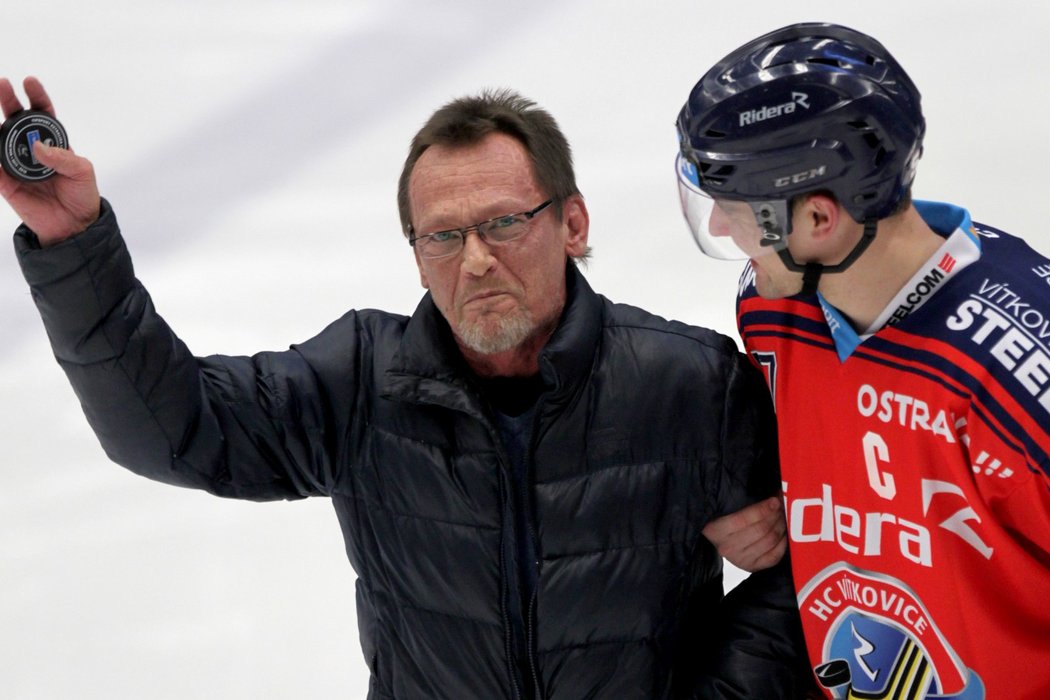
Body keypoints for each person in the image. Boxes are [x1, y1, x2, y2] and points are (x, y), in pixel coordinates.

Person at [3, 77, 812, 698]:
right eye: (444, 236)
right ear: (416, 252)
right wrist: (73, 242)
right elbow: (171, 429)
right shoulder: (362, 381)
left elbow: (825, 561)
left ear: (572, 225)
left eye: (503, 223)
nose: (475, 261)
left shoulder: (689, 386)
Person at [676, 22, 1050, 699]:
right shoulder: (774, 311)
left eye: (733, 210)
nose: (719, 230)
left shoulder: (1019, 372)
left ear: (820, 220)